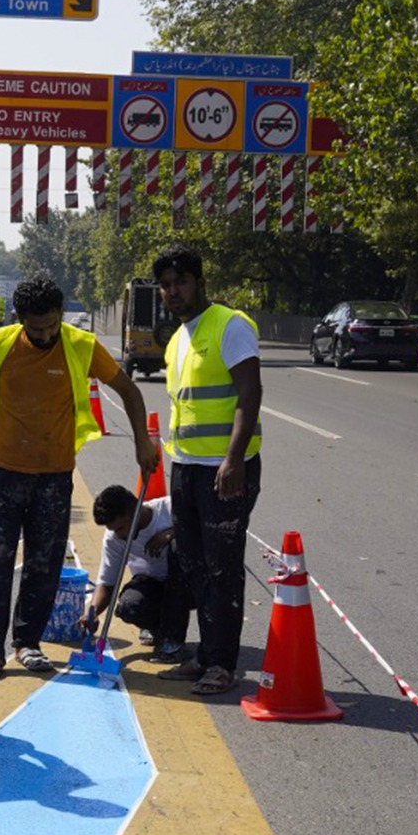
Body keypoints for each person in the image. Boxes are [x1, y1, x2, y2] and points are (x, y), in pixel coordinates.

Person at [0, 272, 156, 683]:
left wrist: (143, 443)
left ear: (60, 314)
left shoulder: (81, 345)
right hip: (2, 474)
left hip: (53, 476)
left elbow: (130, 391)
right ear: (19, 319)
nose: (47, 334)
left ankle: (27, 643)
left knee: (44, 562)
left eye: (53, 324)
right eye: (37, 329)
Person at [153, 244, 262, 695]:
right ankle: (205, 654)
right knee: (193, 564)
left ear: (200, 282)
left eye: (181, 281)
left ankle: (221, 664)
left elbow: (250, 392)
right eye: (166, 285)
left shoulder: (229, 325)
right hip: (186, 467)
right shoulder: (177, 338)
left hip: (225, 469)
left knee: (223, 568)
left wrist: (233, 459)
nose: (173, 291)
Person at [78, 483, 190, 661]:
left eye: (121, 528)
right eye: (113, 530)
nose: (118, 535)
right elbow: (107, 582)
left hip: (188, 584)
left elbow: (203, 526)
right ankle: (159, 628)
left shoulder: (171, 509)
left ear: (134, 511)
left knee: (178, 546)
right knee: (129, 606)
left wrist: (172, 533)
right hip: (154, 585)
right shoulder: (114, 539)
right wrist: (93, 612)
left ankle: (176, 640)